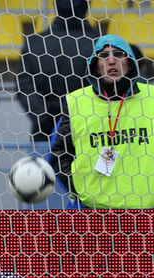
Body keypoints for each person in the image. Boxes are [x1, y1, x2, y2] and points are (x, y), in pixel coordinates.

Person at [50, 34, 154, 209]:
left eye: (119, 54)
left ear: (130, 64)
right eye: (104, 56)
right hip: (93, 211)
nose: (111, 61)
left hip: (147, 211)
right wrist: (79, 190)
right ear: (96, 67)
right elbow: (60, 153)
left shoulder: (151, 98)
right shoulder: (76, 102)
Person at [16, 0, 100, 144]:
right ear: (87, 5)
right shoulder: (99, 44)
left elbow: (24, 87)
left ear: (55, 5)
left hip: (46, 131)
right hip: (91, 128)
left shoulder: (35, 44)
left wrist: (44, 118)